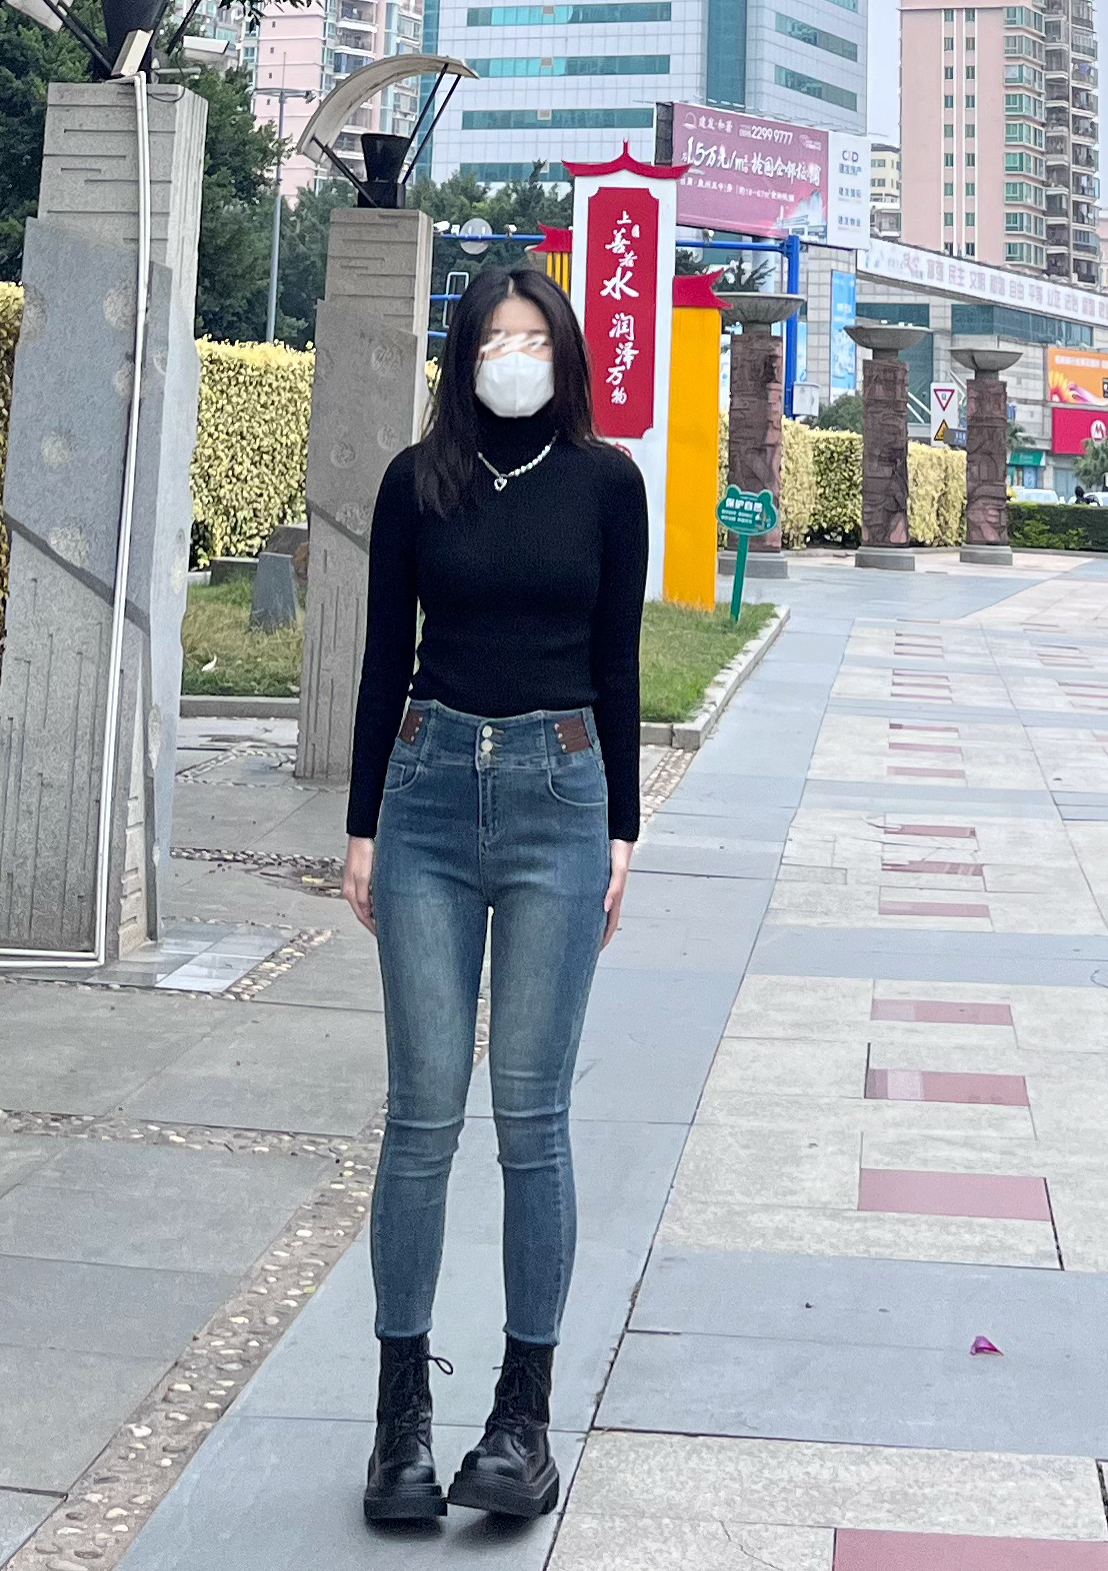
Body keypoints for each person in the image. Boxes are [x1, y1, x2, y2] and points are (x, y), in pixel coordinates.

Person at [341, 264, 649, 1525]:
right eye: (491, 340)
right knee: (420, 1116)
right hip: (424, 787)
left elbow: (618, 659)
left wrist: (623, 829)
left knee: (531, 1114)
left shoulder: (606, 484)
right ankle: (399, 1423)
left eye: (531, 338)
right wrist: (361, 826)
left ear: (561, 354)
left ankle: (521, 1420)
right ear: (460, 357)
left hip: (558, 792)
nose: (511, 358)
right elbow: (382, 657)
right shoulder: (416, 481)